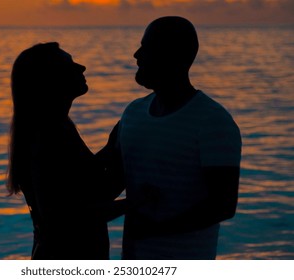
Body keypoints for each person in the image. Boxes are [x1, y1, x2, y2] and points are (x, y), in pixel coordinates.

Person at [102, 16, 242, 259]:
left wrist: (157, 229)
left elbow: (223, 205)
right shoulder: (132, 114)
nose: (136, 55)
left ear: (172, 56)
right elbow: (109, 187)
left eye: (146, 48)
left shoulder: (213, 121)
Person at [6, 42, 123, 260]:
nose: (82, 68)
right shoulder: (48, 136)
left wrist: (113, 150)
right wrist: (135, 203)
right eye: (69, 65)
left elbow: (88, 189)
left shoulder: (58, 127)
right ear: (49, 80)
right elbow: (65, 218)